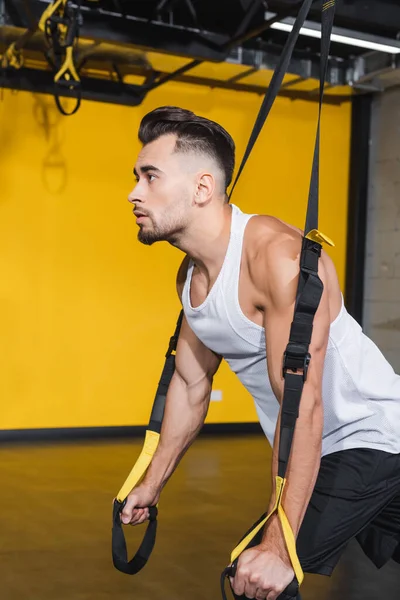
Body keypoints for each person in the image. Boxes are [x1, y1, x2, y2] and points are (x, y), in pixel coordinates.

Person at [121, 106, 400, 600]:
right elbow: (190, 385)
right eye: (135, 177)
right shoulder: (190, 278)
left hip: (368, 437)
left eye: (150, 176)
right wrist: (153, 481)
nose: (133, 192)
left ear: (202, 188)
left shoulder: (278, 258)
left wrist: (279, 542)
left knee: (256, 578)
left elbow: (305, 406)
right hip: (327, 447)